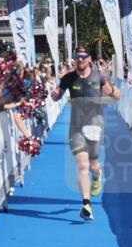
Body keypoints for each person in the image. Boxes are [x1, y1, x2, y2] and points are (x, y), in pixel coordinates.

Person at [51, 45, 119, 221]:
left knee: (93, 164)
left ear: (89, 58)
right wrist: (54, 93)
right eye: (77, 56)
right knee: (82, 165)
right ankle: (86, 204)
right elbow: (56, 96)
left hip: (95, 126)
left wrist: (111, 91)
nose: (80, 59)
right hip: (76, 127)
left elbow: (118, 95)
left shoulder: (100, 76)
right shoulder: (68, 78)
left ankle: (97, 175)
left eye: (83, 56)